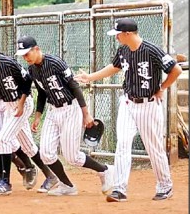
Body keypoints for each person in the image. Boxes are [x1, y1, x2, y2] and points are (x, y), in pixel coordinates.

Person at [74, 18, 182, 202]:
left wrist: (162, 87)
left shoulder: (150, 50)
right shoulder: (123, 50)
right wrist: (90, 77)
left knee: (153, 147)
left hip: (148, 105)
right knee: (122, 143)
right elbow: (114, 67)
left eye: (118, 34)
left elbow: (176, 69)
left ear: (128, 34)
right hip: (128, 103)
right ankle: (119, 189)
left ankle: (165, 186)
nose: (116, 37)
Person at [16, 35, 114, 196]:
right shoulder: (32, 69)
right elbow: (41, 93)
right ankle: (67, 186)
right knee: (46, 154)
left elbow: (75, 87)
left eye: (27, 53)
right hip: (53, 110)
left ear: (36, 49)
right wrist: (38, 116)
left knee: (72, 157)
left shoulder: (55, 63)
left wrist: (86, 115)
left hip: (71, 109)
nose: (25, 57)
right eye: (23, 55)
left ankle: (104, 170)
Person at [0, 39, 58, 195]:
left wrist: (22, 105)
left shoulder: (8, 64)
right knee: (6, 142)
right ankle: (49, 175)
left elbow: (26, 82)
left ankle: (6, 183)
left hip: (20, 103)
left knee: (4, 139)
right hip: (3, 103)